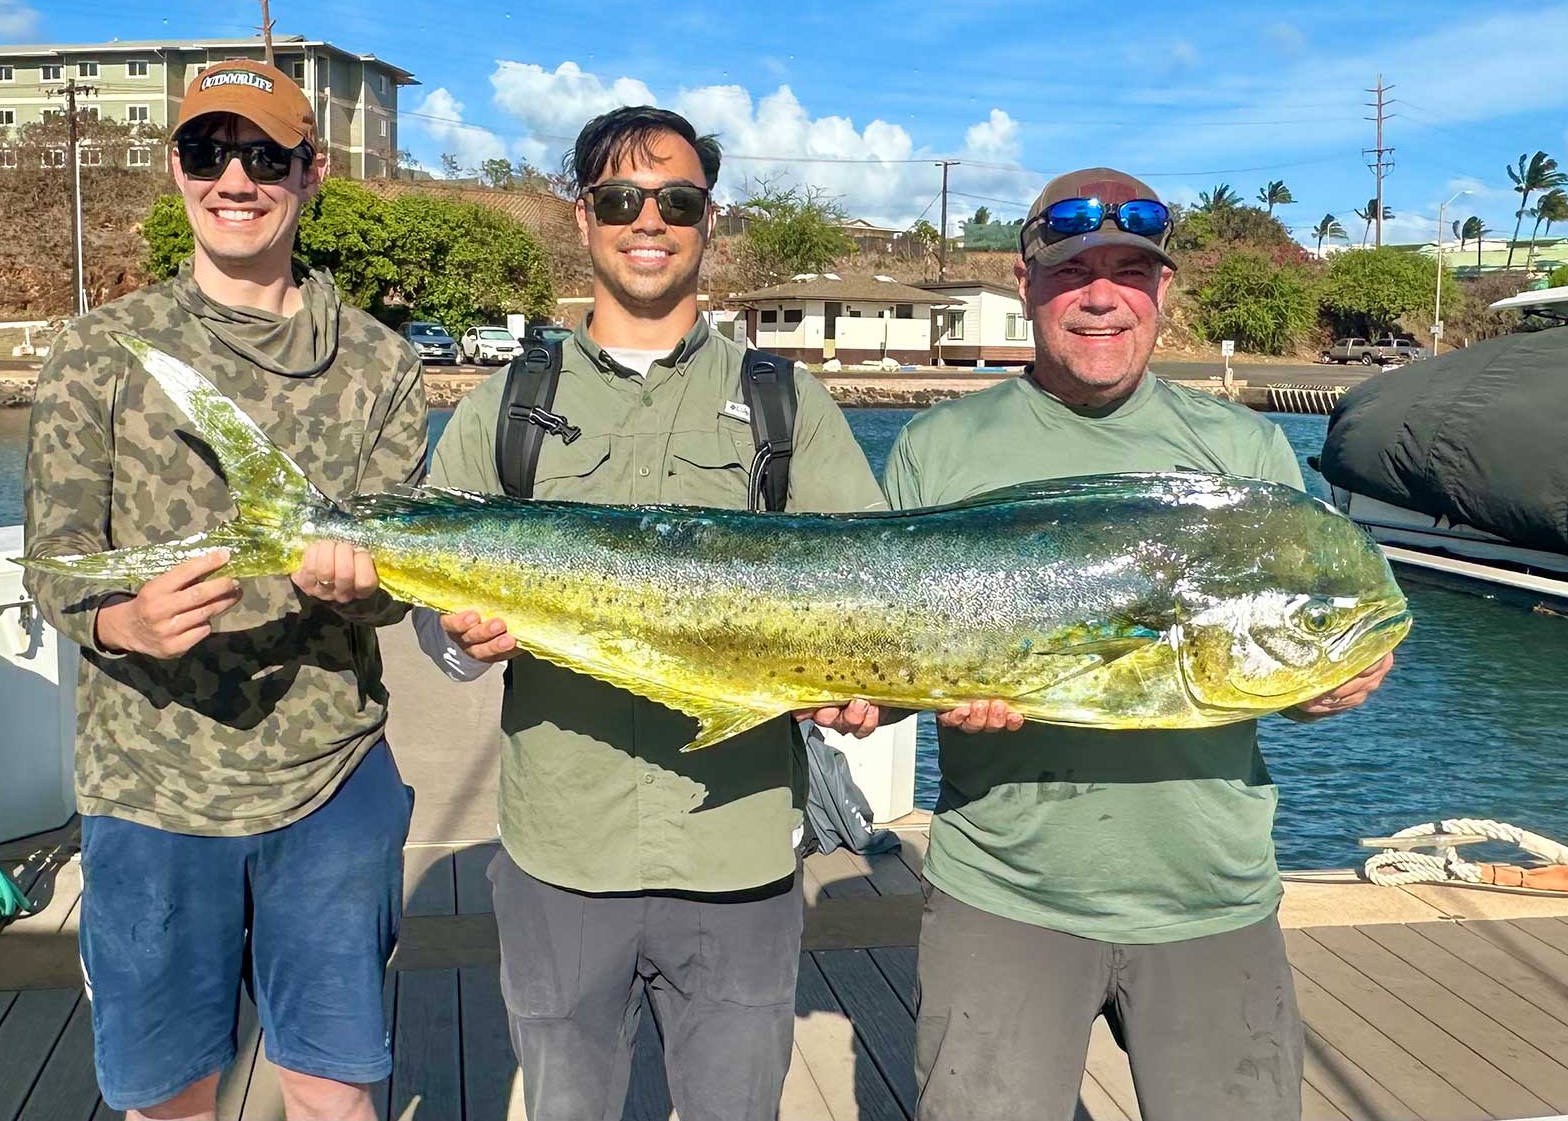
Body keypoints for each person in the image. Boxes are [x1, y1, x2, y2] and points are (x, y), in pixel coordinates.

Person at [883, 168, 1394, 1121]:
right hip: (1005, 891)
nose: (1101, 297)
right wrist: (930, 689)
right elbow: (890, 648)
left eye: (1130, 271)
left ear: (1163, 292)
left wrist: (1331, 679)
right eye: (1074, 273)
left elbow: (1292, 638)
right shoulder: (936, 449)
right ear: (1029, 283)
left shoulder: (1242, 453)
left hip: (1211, 896)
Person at [414, 105, 885, 1121]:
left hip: (738, 856)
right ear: (582, 217)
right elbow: (429, 619)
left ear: (708, 221)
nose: (649, 221)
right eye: (622, 198)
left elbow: (871, 590)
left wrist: (866, 695)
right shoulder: (505, 403)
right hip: (558, 856)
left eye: (676, 200)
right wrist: (457, 642)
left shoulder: (784, 403)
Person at [23, 60, 426, 1121]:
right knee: (167, 1097)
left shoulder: (380, 364)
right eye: (208, 153)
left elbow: (399, 585)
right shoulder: (96, 351)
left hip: (329, 782)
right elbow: (55, 562)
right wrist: (122, 620)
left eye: (264, 156)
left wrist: (357, 590)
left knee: (333, 1090)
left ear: (312, 172)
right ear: (175, 169)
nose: (235, 180)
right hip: (148, 786)